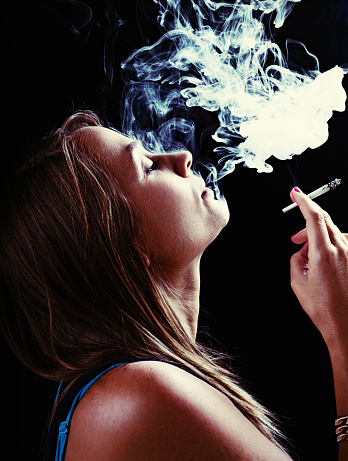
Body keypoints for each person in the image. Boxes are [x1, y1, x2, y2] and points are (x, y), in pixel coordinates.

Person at [0, 110, 347, 460]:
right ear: (128, 247)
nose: (183, 158)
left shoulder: (124, 388)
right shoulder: (142, 395)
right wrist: (343, 330)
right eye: (148, 166)